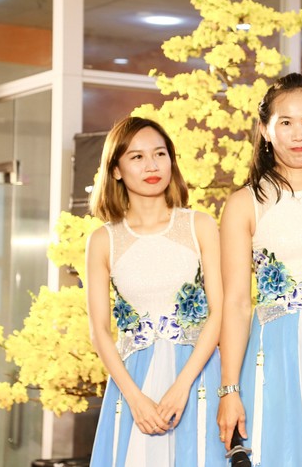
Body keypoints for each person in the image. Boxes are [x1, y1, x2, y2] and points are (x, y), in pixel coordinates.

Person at [216, 73, 302, 466]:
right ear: (265, 129)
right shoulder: (245, 203)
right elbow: (236, 303)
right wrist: (229, 389)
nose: (298, 134)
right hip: (274, 354)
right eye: (286, 122)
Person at [86, 116, 224, 466]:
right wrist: (134, 399)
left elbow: (219, 312)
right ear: (116, 170)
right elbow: (99, 330)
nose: (152, 165)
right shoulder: (103, 240)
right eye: (137, 157)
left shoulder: (200, 225)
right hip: (132, 382)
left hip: (198, 374)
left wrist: (182, 386)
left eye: (160, 154)